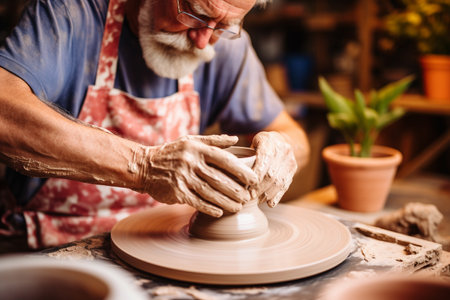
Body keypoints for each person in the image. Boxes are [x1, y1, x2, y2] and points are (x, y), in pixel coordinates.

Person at [0, 0, 310, 249]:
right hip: (47, 245)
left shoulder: (225, 46)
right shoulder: (71, 12)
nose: (203, 41)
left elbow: (293, 136)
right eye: (195, 14)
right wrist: (143, 166)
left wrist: (283, 149)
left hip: (167, 243)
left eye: (225, 26)